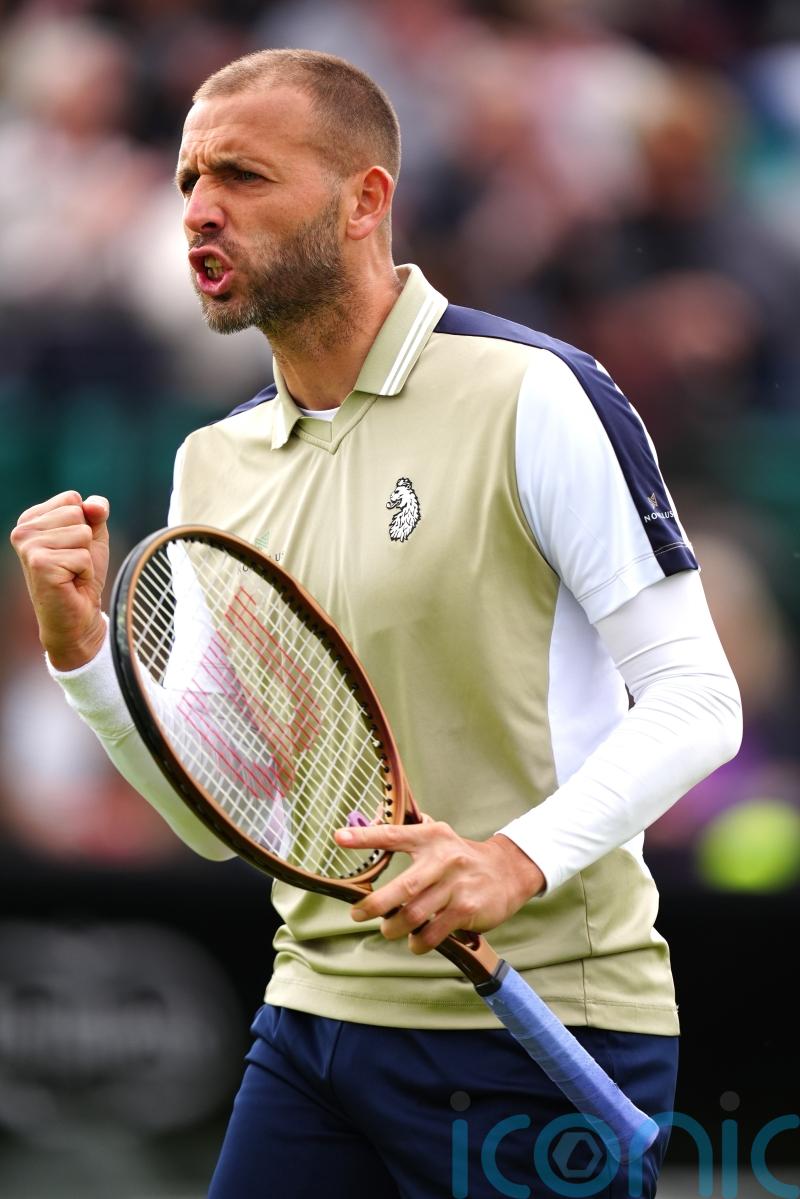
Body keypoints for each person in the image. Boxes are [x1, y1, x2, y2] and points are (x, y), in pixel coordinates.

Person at [11, 49, 742, 1198]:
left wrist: (512, 859)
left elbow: (700, 700)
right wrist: (84, 658)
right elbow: (223, 820)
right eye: (188, 179)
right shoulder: (212, 463)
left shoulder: (532, 394)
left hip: (541, 1028)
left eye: (244, 177)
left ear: (366, 201)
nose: (200, 211)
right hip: (309, 1025)